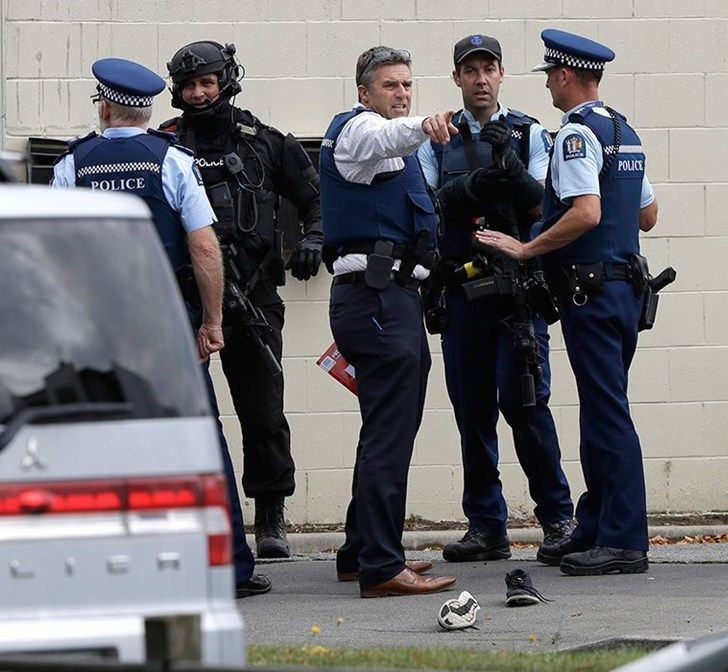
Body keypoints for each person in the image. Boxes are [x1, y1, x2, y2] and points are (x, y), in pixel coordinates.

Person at [52, 57, 271, 598]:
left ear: (104, 105)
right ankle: (230, 568)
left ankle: (102, 566)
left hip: (95, 325)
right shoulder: (172, 159)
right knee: (198, 437)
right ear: (147, 110)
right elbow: (203, 245)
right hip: (166, 317)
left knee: (98, 438)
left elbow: (57, 253)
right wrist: (212, 320)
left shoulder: (72, 164)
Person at [476, 29, 658, 576]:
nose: (550, 86)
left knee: (607, 415)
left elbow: (586, 212)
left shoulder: (577, 134)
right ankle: (595, 526)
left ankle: (624, 540)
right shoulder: (622, 130)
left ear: (564, 76)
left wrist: (527, 247)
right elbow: (647, 215)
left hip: (593, 292)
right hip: (622, 289)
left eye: (551, 77)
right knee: (606, 410)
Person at [161, 41, 325, 558]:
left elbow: (317, 198)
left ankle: (270, 518)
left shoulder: (267, 143)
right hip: (184, 303)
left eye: (206, 82)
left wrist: (314, 239)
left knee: (262, 412)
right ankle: (187, 515)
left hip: (253, 298)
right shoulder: (163, 145)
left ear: (226, 80)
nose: (198, 93)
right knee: (182, 414)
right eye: (189, 86)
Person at [416, 34, 575, 564]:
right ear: (457, 78)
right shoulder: (437, 137)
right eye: (470, 70)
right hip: (462, 293)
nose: (480, 79)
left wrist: (513, 180)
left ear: (502, 74)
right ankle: (487, 526)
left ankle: (557, 519)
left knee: (526, 404)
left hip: (518, 296)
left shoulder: (530, 133)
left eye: (489, 69)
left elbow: (544, 210)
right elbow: (429, 206)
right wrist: (475, 188)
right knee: (473, 412)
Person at [318, 46, 459, 597]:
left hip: (394, 301)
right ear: (363, 92)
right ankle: (380, 565)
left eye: (407, 85)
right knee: (389, 435)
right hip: (376, 301)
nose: (401, 93)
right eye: (389, 86)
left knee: (384, 430)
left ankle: (360, 552)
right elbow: (385, 137)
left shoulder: (390, 150)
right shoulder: (358, 131)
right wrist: (424, 125)